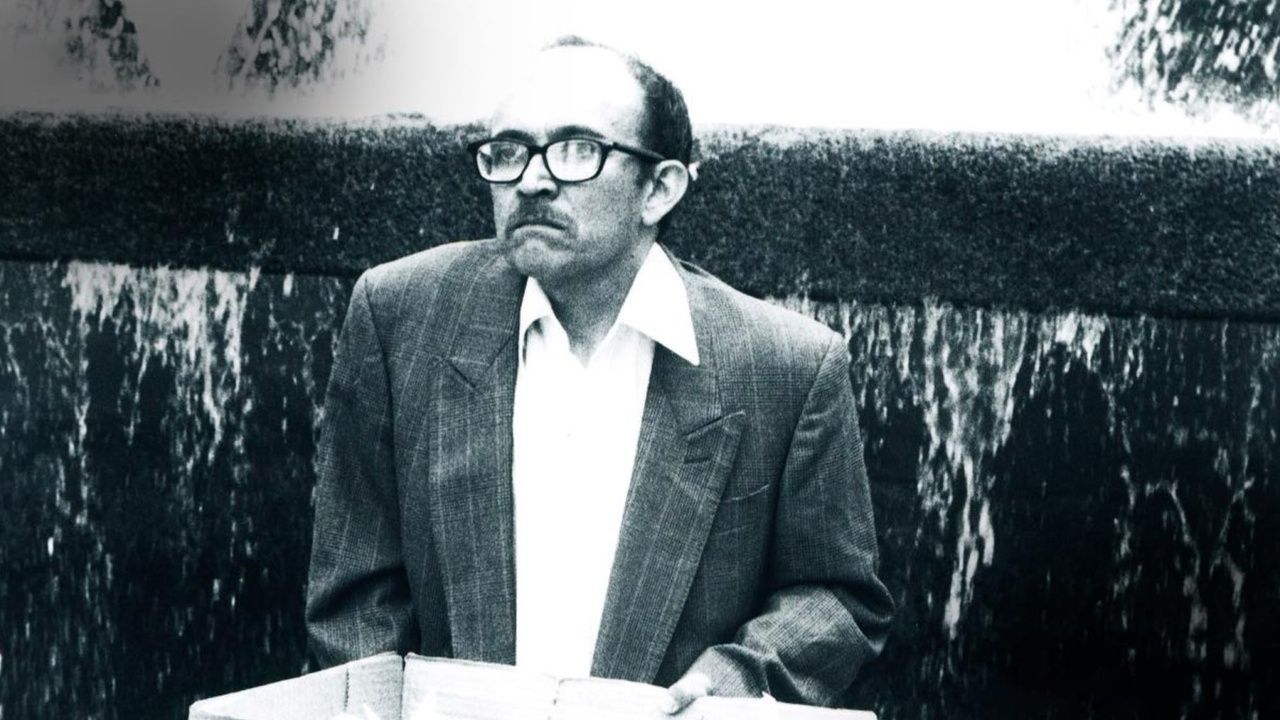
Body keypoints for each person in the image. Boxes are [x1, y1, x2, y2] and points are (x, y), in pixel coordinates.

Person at [305, 37, 894, 712]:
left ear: (660, 189)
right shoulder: (400, 316)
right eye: (509, 151)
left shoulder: (786, 367)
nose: (531, 180)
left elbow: (837, 597)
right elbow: (357, 592)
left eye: (577, 149)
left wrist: (733, 683)